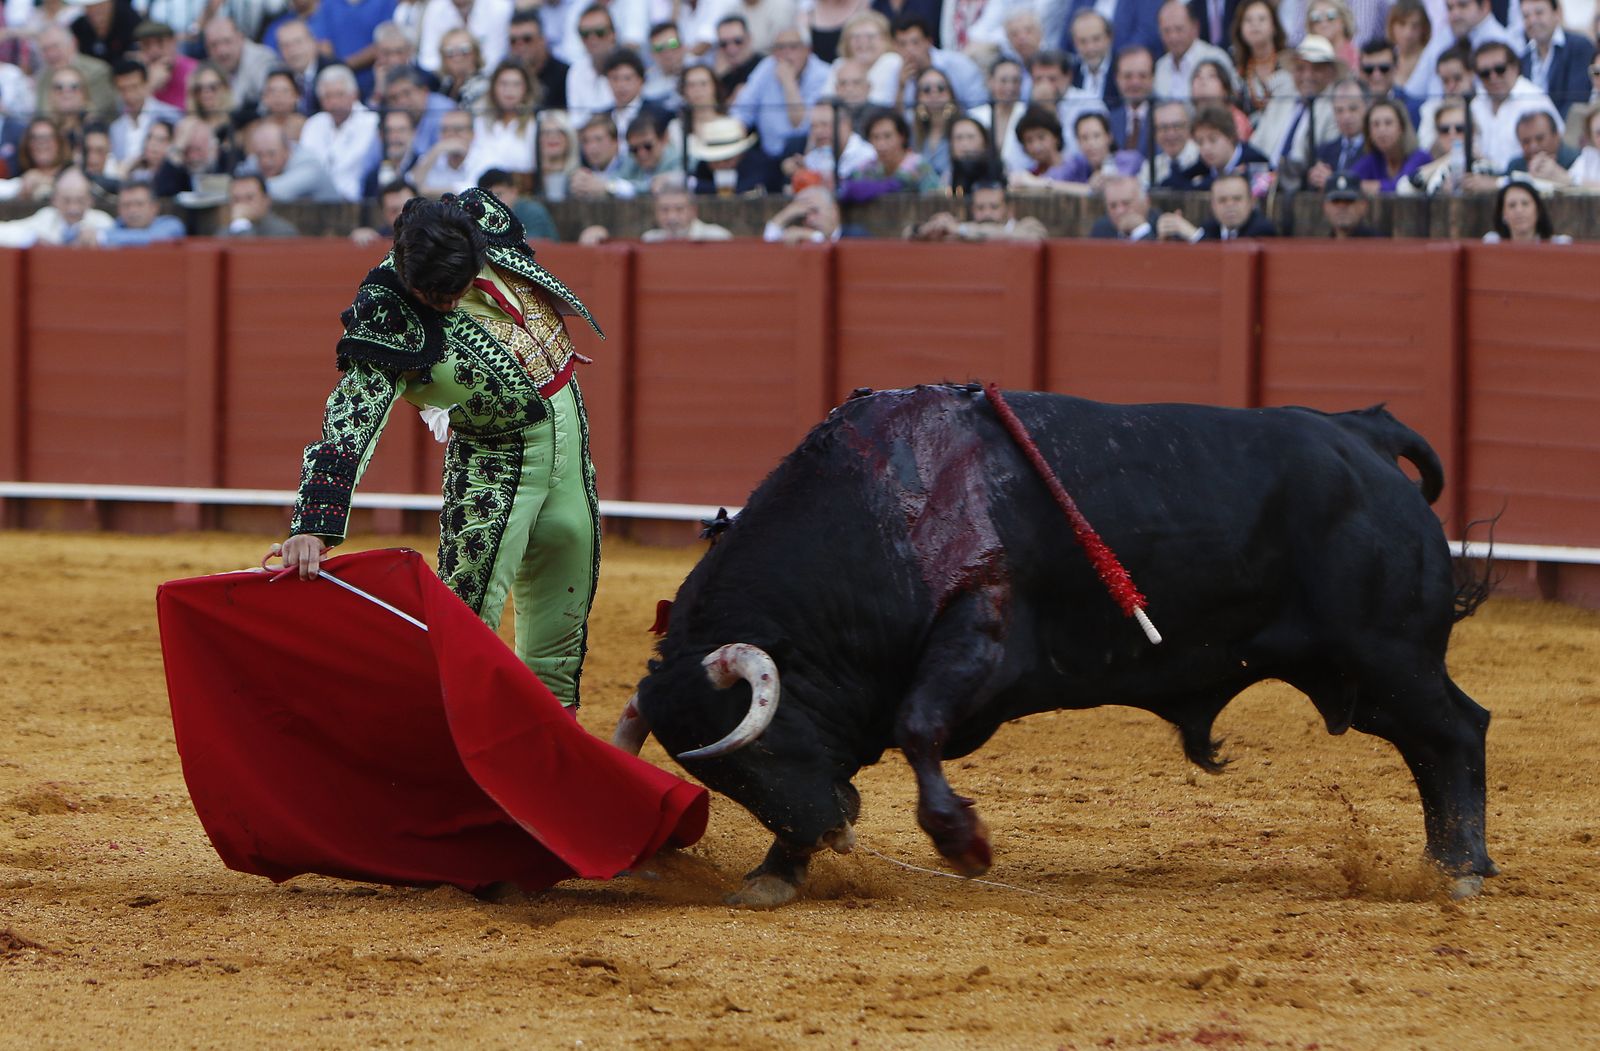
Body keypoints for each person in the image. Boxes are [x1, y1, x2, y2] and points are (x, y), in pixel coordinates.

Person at [270, 190, 607, 713]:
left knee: (563, 626)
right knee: (464, 623)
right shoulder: (386, 309)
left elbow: (525, 275)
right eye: (436, 297)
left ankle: (550, 767)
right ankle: (454, 759)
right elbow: (352, 415)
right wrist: (313, 523)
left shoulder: (480, 221)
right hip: (493, 465)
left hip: (571, 446)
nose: (448, 302)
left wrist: (548, 341)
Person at [1165, 103, 1272, 190]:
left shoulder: (1255, 161)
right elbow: (1173, 182)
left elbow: (1204, 187)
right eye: (1200, 142)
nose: (1206, 148)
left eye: (1213, 140)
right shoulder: (1206, 162)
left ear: (1230, 137)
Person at [0, 166, 114, 244]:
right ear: (55, 201)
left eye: (80, 201)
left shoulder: (102, 221)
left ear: (90, 201)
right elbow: (6, 232)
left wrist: (99, 238)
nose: (73, 208)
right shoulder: (45, 218)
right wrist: (32, 239)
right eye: (66, 201)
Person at [1521, 0, 1593, 117]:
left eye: (1539, 13)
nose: (1532, 21)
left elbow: (1577, 101)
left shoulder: (1579, 46)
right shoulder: (1524, 58)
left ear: (1557, 13)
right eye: (1526, 16)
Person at [1156, 170, 1278, 239]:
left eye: (1237, 199)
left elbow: (1231, 261)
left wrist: (1194, 235)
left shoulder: (1262, 229)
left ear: (1252, 202)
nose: (1230, 205)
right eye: (1222, 200)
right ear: (1213, 206)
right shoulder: (1211, 227)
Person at [1153, 0, 1235, 101]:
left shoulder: (1216, 57)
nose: (1173, 37)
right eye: (1166, 30)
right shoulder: (1161, 66)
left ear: (1195, 27)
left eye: (1179, 29)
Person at [908, 181, 1048, 240]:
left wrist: (962, 230)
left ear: (1009, 209)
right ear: (972, 210)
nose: (987, 213)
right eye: (980, 208)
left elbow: (1033, 238)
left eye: (994, 207)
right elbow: (907, 233)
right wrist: (925, 230)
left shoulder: (1029, 226)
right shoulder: (958, 229)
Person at [1347, 97, 1430, 191]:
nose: (1381, 130)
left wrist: (1361, 186)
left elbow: (1401, 187)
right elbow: (1348, 180)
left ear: (1401, 128)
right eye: (1375, 124)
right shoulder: (1374, 159)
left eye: (1388, 123)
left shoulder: (1420, 158)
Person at [477, 167, 558, 239]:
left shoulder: (532, 212)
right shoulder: (485, 219)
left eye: (498, 195)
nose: (493, 202)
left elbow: (532, 247)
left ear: (513, 192)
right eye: (487, 199)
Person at [96, 179, 186, 244]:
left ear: (154, 207)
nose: (132, 210)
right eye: (126, 205)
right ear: (119, 209)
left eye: (139, 204)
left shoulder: (171, 225)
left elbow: (154, 239)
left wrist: (103, 237)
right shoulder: (115, 226)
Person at [1482, 177, 1570, 241]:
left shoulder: (1560, 245)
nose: (1519, 210)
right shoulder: (1492, 243)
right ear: (1503, 214)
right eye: (1512, 205)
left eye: (1525, 204)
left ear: (1538, 210)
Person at [643, 177, 733, 239]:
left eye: (679, 209)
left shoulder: (717, 238)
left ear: (693, 211)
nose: (671, 217)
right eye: (664, 210)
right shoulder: (650, 239)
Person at [219, 172, 300, 236]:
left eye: (249, 198)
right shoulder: (228, 229)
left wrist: (242, 223)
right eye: (236, 199)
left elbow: (248, 254)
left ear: (266, 200)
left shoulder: (282, 232)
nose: (242, 205)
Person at [1089, 172, 1158, 239]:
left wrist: (1142, 230)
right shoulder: (1101, 230)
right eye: (1113, 206)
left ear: (1146, 202)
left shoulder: (1160, 225)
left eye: (1126, 203)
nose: (1120, 211)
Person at [1321, 170, 1378, 236]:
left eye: (1349, 200)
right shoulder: (1319, 244)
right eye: (1336, 201)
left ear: (1363, 205)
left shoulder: (1379, 243)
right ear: (1325, 206)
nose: (1342, 206)